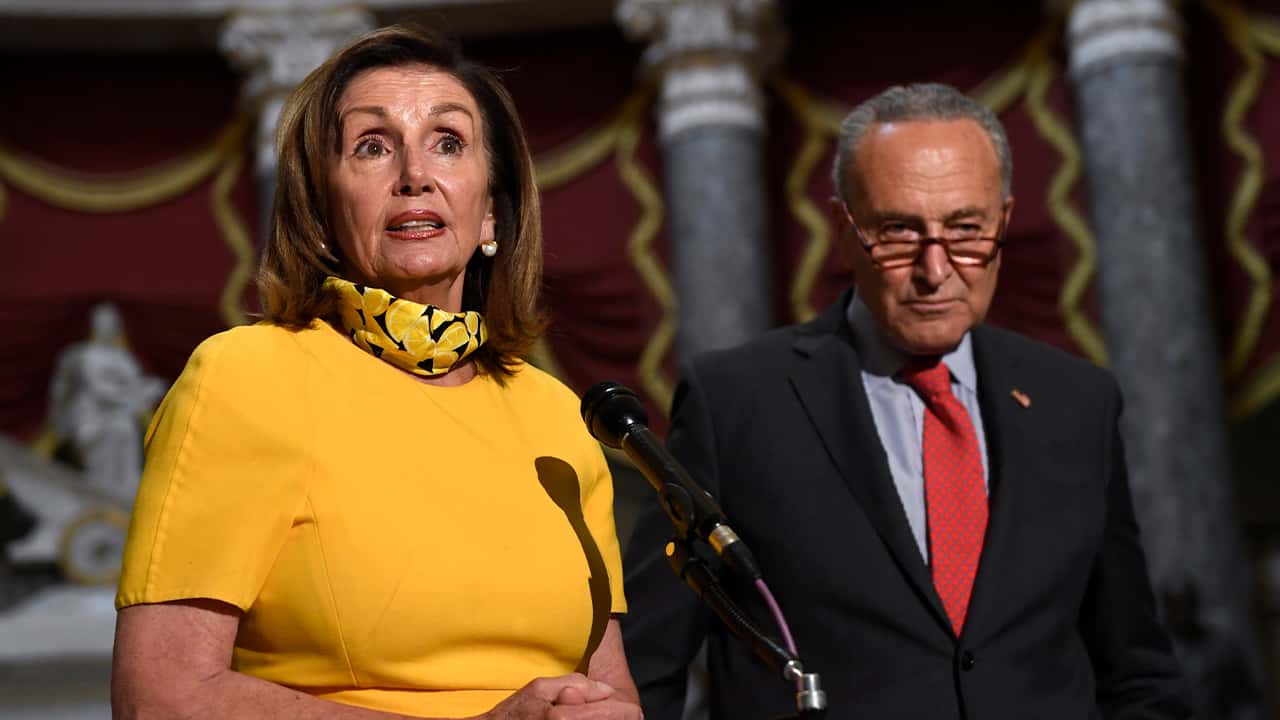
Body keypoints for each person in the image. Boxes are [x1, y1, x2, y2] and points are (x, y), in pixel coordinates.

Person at [112, 25, 641, 720]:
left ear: (491, 211)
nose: (415, 174)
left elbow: (611, 689)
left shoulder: (559, 415)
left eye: (447, 142)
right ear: (321, 211)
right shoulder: (243, 378)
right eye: (372, 146)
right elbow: (159, 699)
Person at [621, 83, 1189, 719]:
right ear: (844, 230)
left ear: (1003, 221)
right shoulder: (737, 403)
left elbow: (1136, 671)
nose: (935, 270)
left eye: (966, 229)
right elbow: (643, 666)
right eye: (898, 232)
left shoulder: (1077, 402)